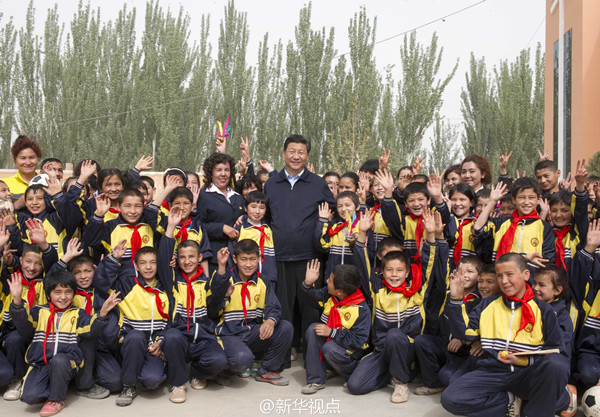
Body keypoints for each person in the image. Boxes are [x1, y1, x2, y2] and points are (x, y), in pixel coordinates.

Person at [440, 253, 569, 417]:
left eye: (510, 274)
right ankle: (510, 400)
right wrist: (456, 298)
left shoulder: (544, 310)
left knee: (557, 367)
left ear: (525, 275)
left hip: (526, 374)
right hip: (492, 372)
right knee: (451, 399)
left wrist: (523, 360)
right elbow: (466, 333)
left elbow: (556, 352)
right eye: (500, 276)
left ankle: (533, 411)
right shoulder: (487, 304)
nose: (504, 281)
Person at [348, 208, 441, 403]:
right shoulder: (377, 289)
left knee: (395, 334)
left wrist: (431, 234)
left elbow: (430, 264)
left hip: (409, 349)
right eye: (389, 270)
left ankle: (400, 382)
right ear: (382, 272)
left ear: (407, 272)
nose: (395, 274)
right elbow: (363, 265)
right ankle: (390, 372)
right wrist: (362, 233)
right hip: (383, 349)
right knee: (355, 386)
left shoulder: (418, 289)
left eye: (400, 270)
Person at [8, 270, 120, 416]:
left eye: (68, 292)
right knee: (31, 397)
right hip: (41, 363)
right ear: (49, 295)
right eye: (58, 292)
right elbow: (24, 324)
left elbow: (91, 329)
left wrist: (103, 313)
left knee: (59, 360)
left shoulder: (78, 313)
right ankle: (58, 384)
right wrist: (17, 301)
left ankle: (56, 399)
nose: (63, 297)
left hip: (67, 362)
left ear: (73, 294)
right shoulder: (39, 311)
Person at [263, 134, 335, 359]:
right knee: (283, 309)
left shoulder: (318, 183)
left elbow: (331, 215)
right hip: (280, 257)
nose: (296, 156)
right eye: (292, 151)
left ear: (307, 156)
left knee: (310, 309)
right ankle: (282, 357)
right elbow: (264, 216)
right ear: (284, 153)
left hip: (310, 258)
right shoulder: (272, 184)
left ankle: (312, 359)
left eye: (301, 152)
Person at [157, 207, 228, 391]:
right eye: (182, 257)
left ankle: (197, 373)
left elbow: (216, 298)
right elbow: (163, 259)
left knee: (219, 361)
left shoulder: (205, 282)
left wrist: (221, 267)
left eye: (191, 257)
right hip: (180, 337)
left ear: (200, 257)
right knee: (171, 337)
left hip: (203, 338)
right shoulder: (172, 280)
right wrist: (171, 227)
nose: (187, 261)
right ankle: (178, 384)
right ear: (177, 260)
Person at [210, 241, 293, 386]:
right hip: (229, 335)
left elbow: (274, 307)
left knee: (285, 327)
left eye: (252, 259)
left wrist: (270, 321)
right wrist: (223, 296)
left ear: (259, 259)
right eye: (243, 259)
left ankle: (267, 369)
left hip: (252, 333)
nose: (248, 264)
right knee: (242, 359)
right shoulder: (224, 279)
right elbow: (211, 311)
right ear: (235, 259)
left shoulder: (263, 280)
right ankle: (225, 369)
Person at [299, 262, 370, 395]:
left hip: (350, 352)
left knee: (329, 348)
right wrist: (307, 284)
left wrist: (332, 332)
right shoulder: (329, 294)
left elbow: (358, 340)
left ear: (340, 291)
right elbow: (310, 299)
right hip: (332, 342)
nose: (326, 281)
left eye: (330, 280)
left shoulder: (361, 309)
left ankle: (351, 372)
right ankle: (316, 380)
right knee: (313, 329)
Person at [473, 178, 556, 272]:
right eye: (521, 197)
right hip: (501, 279)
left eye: (531, 197)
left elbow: (548, 259)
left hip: (530, 281)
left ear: (538, 200)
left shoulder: (544, 227)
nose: (526, 202)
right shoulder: (502, 223)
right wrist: (492, 201)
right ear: (514, 199)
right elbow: (478, 227)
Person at [197, 153, 245, 276]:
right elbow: (198, 225)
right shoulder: (203, 195)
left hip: (237, 257)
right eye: (218, 170)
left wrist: (243, 217)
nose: (223, 174)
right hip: (214, 257)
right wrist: (221, 228)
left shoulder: (238, 197)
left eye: (227, 170)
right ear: (210, 173)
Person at [227, 191, 276, 286]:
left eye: (261, 208)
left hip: (269, 277)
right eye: (253, 207)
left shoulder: (269, 227)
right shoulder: (239, 228)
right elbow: (232, 254)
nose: (257, 211)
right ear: (245, 208)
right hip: (244, 278)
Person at [3, 135, 42, 207]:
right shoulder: (4, 184)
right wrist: (17, 205)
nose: (28, 162)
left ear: (37, 158)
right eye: (23, 158)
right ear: (15, 160)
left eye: (32, 157)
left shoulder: (46, 182)